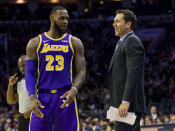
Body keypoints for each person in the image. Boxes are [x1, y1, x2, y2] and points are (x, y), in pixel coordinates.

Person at [25, 6, 86, 131]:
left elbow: (81, 71)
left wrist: (74, 89)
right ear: (52, 18)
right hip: (41, 98)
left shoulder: (74, 42)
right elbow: (30, 73)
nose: (65, 21)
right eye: (61, 18)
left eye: (67, 19)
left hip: (65, 96)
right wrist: (31, 97)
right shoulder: (35, 42)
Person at [108, 9, 146, 131]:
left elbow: (133, 74)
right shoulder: (123, 42)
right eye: (114, 21)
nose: (114, 24)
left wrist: (126, 101)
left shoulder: (131, 41)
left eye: (117, 21)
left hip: (128, 105)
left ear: (128, 24)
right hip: (122, 104)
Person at [6, 55, 31, 131]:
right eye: (20, 66)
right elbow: (10, 101)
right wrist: (10, 85)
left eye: (23, 65)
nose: (22, 69)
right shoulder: (19, 83)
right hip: (23, 119)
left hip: (36, 117)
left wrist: (31, 109)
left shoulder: (40, 80)